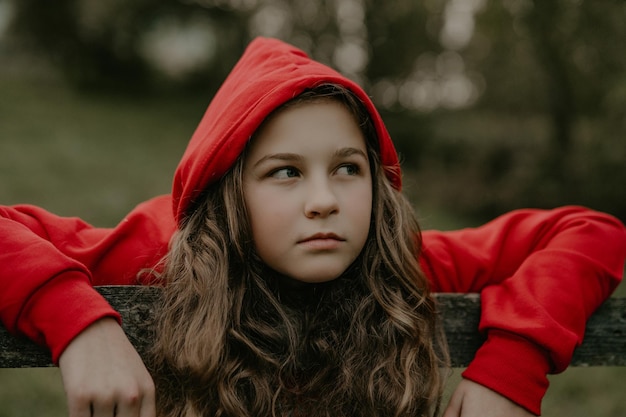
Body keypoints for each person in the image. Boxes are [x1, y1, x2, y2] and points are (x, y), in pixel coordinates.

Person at [0, 37, 624, 417]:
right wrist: (81, 326)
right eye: (285, 173)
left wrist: (513, 370)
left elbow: (590, 230)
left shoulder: (399, 262)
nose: (324, 200)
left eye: (347, 168)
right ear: (229, 193)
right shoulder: (164, 252)